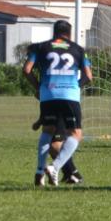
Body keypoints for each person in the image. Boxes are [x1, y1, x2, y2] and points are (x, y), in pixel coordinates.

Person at [24, 19, 93, 187]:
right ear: (69, 34)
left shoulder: (39, 47)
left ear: (54, 32)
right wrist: (77, 86)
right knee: (75, 134)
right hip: (70, 94)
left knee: (47, 131)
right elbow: (89, 76)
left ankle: (40, 172)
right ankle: (54, 168)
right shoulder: (78, 49)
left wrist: (38, 87)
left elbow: (27, 70)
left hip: (48, 93)